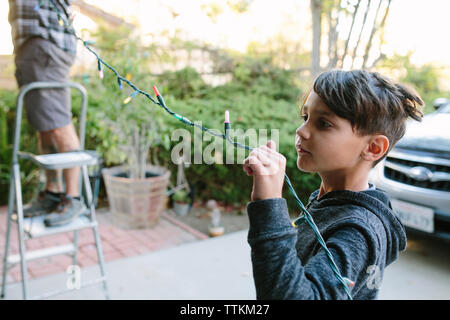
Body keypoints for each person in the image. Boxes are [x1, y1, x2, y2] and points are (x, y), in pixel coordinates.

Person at [242, 69, 424, 299]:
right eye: (305, 117)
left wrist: (268, 204)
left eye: (324, 123)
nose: (301, 131)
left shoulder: (358, 231)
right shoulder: (328, 201)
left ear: (373, 148)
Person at [9, 0, 86, 227]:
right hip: (35, 42)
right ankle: (53, 193)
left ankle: (73, 198)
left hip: (44, 41)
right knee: (45, 126)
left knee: (59, 124)